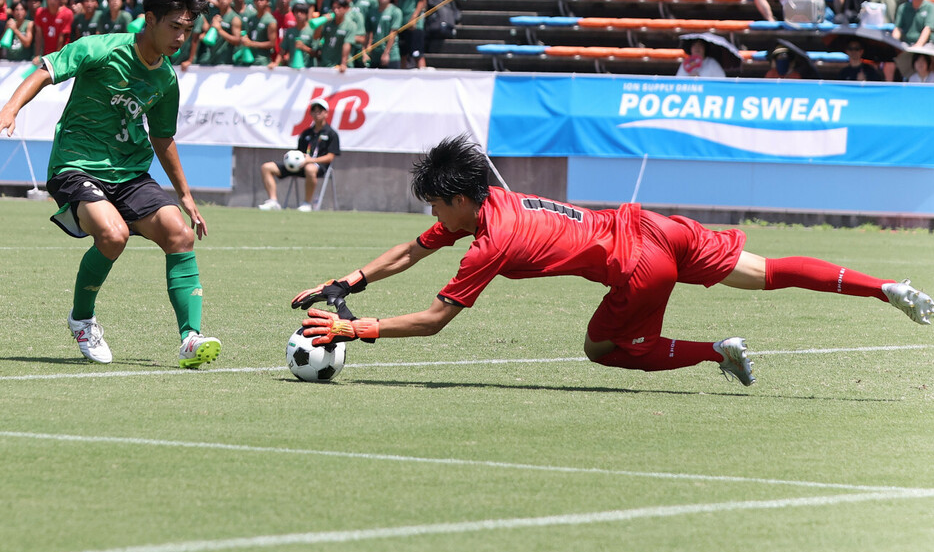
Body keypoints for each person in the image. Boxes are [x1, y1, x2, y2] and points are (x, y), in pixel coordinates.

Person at [293, 134, 933, 387]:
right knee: (770, 273)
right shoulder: (492, 205)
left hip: (636, 265)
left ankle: (717, 350)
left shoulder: (491, 243)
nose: (434, 219)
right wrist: (349, 281)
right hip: (652, 223)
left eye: (436, 205)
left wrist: (352, 328)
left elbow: (435, 321)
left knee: (603, 350)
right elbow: (413, 249)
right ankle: (887, 288)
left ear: (460, 198)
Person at [0, 0, 221, 369]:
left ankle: (190, 337)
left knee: (180, 234)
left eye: (188, 29)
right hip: (76, 165)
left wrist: (184, 195)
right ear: (150, 19)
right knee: (113, 234)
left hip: (130, 174)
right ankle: (82, 318)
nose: (181, 37)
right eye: (175, 26)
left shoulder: (166, 78)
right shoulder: (100, 49)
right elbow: (42, 72)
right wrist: (10, 108)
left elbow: (163, 137)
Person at [258, 98, 340, 211]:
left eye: (320, 111)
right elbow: (299, 152)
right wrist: (291, 157)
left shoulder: (331, 134)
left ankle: (307, 203)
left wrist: (310, 160)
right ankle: (273, 201)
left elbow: (330, 157)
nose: (317, 114)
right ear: (310, 113)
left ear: (326, 113)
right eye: (314, 111)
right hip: (299, 165)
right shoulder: (306, 133)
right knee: (266, 167)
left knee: (310, 169)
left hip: (317, 167)